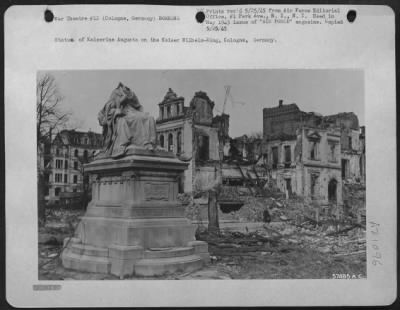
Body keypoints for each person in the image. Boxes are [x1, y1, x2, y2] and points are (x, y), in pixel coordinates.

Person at [98, 83, 157, 158]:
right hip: (124, 112)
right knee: (136, 119)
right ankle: (140, 143)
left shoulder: (130, 93)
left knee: (150, 118)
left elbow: (137, 105)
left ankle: (150, 142)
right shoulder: (116, 93)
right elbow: (109, 108)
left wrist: (130, 96)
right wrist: (118, 107)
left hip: (133, 111)